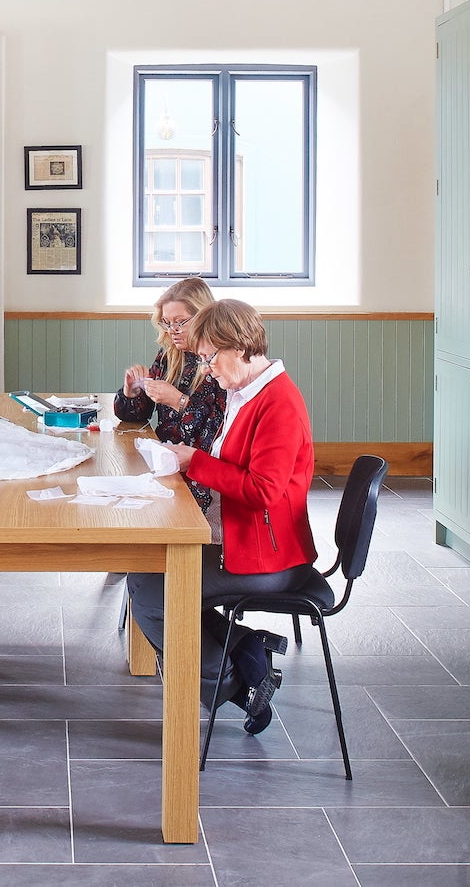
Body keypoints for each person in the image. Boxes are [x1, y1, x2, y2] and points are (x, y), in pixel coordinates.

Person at [125, 298, 319, 733]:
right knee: (148, 574)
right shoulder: (245, 392)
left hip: (270, 558)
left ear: (241, 346)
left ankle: (235, 683)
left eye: (211, 358)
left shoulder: (277, 403)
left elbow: (264, 491)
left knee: (151, 589)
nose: (207, 369)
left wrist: (195, 461)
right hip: (242, 539)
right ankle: (248, 654)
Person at [114, 278, 226, 503]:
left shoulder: (220, 360)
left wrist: (179, 401)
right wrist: (132, 391)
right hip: (165, 459)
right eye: (166, 323)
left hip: (200, 469)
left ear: (203, 316)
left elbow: (219, 432)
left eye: (180, 322)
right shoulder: (169, 356)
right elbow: (138, 416)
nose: (172, 330)